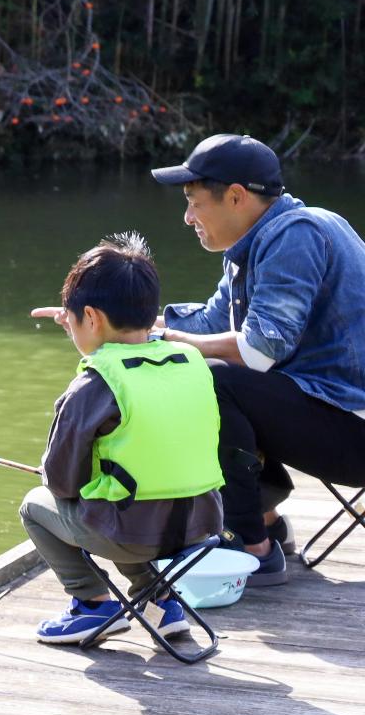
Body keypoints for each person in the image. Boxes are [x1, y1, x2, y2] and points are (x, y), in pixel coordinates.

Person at [150, 134, 365, 583]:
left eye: (193, 202)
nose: (187, 217)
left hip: (354, 431)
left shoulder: (296, 236)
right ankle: (264, 521)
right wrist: (124, 328)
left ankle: (250, 543)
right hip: (330, 422)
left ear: (235, 196)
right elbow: (211, 323)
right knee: (208, 370)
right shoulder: (256, 243)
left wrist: (170, 338)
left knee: (213, 380)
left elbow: (260, 350)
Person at [21, 234, 224, 642]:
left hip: (131, 536)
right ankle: (160, 602)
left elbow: (61, 482)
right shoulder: (192, 363)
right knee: (127, 504)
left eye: (74, 318)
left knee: (36, 506)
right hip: (201, 526)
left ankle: (92, 604)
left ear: (91, 318)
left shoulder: (91, 386)